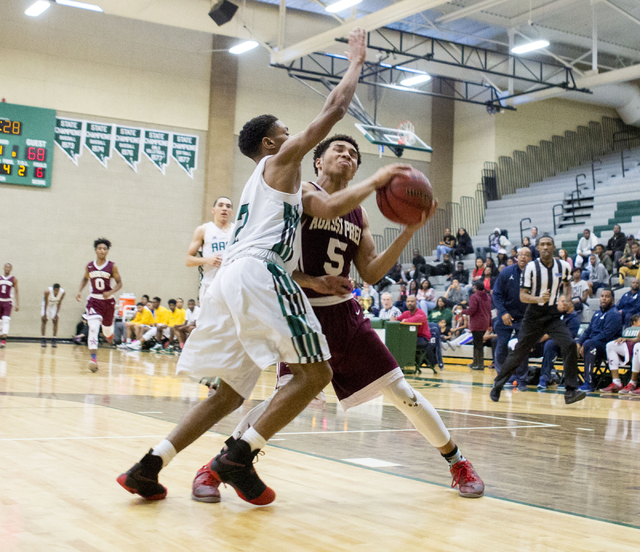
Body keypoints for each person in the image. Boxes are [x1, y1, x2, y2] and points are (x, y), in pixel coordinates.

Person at [118, 29, 373, 506]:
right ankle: (238, 456)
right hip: (259, 272)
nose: (291, 132)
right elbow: (335, 110)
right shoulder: (281, 160)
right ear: (270, 141)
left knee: (231, 393)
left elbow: (328, 208)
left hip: (230, 280)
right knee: (315, 375)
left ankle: (148, 466)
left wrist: (315, 276)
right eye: (284, 128)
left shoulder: (276, 186)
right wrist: (356, 60)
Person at [225, 133, 483, 499]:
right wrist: (314, 280)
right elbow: (274, 261)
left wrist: (408, 231)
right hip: (301, 313)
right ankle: (224, 460)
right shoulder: (298, 194)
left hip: (345, 317)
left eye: (354, 154)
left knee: (402, 391)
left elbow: (372, 272)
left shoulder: (358, 213)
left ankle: (458, 462)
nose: (347, 155)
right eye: (339, 150)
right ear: (318, 160)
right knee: (285, 399)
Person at [490, 235, 586, 405]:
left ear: (554, 247)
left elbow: (567, 285)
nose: (546, 247)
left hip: (552, 314)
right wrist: (538, 298)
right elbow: (523, 296)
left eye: (549, 244)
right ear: (538, 249)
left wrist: (568, 300)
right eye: (542, 244)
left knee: (570, 344)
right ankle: (498, 384)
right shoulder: (531, 268)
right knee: (520, 351)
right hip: (533, 314)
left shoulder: (563, 266)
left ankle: (571, 391)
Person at [76, 239, 122, 372]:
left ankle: (109, 334)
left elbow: (119, 283)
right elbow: (85, 278)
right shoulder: (89, 266)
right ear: (96, 250)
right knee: (93, 328)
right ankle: (93, 359)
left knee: (107, 331)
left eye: (104, 249)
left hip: (108, 302)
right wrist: (79, 291)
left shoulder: (112, 266)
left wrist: (111, 291)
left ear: (107, 251)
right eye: (99, 248)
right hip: (94, 301)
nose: (102, 250)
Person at [492, 247, 532, 390]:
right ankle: (501, 378)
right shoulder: (506, 272)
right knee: (501, 346)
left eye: (526, 255)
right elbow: (496, 294)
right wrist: (502, 312)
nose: (523, 257)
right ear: (516, 257)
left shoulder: (535, 274)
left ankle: (521, 380)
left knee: (522, 348)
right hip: (505, 315)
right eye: (520, 254)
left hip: (524, 318)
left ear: (531, 258)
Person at [186, 197, 233, 303]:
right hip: (210, 285)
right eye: (220, 205)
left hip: (231, 285)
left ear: (232, 212)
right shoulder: (203, 230)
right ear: (213, 210)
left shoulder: (237, 231)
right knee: (208, 320)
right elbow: (188, 260)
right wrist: (207, 260)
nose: (224, 208)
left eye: (228, 206)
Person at [576, 289, 622, 392]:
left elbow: (606, 335)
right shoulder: (597, 313)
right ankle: (573, 379)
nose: (604, 298)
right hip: (593, 343)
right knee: (573, 345)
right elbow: (588, 331)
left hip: (607, 347)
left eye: (607, 296)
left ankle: (589, 382)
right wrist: (579, 343)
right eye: (602, 296)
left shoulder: (614, 314)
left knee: (589, 344)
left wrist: (586, 344)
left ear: (613, 300)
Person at [536, 297, 581, 390]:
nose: (562, 304)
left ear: (570, 303)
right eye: (561, 302)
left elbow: (570, 335)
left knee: (550, 344)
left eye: (565, 302)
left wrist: (549, 336)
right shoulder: (559, 315)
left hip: (565, 347)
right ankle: (519, 376)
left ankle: (544, 378)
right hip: (553, 344)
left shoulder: (574, 318)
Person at [604, 315, 640, 394]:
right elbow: (638, 339)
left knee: (638, 346)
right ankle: (617, 382)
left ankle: (633, 382)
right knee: (610, 345)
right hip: (632, 347)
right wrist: (626, 338)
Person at [463, 282, 491, 370]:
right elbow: (489, 311)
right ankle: (476, 362)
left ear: (475, 287)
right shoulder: (488, 297)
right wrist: (490, 323)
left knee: (477, 344)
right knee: (478, 343)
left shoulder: (474, 297)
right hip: (485, 322)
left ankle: (479, 364)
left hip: (477, 322)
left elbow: (472, 310)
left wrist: (462, 312)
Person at [0, 263, 18, 348]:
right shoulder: (0, 278)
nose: (7, 269)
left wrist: (17, 304)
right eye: (6, 267)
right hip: (0, 301)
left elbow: (16, 292)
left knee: (6, 320)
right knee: (0, 322)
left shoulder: (13, 279)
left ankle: (4, 341)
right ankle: (1, 338)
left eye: (9, 267)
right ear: (4, 268)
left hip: (8, 302)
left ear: (11, 269)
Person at [41, 283, 65, 347]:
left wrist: (57, 314)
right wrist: (45, 313)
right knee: (44, 320)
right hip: (47, 305)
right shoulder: (47, 292)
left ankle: (54, 339)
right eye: (55, 290)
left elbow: (60, 303)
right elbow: (46, 303)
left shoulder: (62, 292)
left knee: (55, 321)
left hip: (54, 305)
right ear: (53, 289)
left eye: (57, 291)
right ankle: (43, 339)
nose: (56, 292)